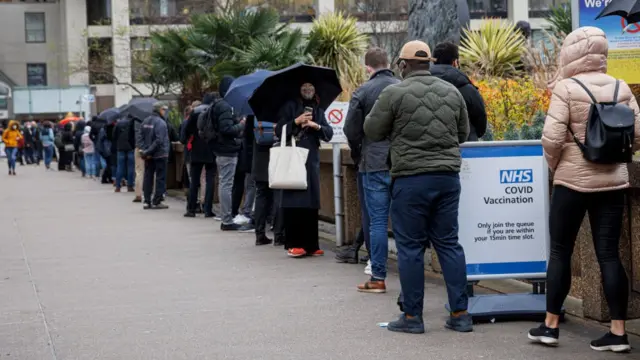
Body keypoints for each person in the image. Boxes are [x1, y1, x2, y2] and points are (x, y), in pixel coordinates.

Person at [527, 27, 640, 353]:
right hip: (612, 181)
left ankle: (550, 326)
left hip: (571, 183)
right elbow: (637, 131)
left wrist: (556, 165)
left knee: (561, 251)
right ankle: (618, 333)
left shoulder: (566, 87)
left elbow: (551, 137)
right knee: (609, 254)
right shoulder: (621, 87)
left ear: (571, 53)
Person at [364, 40, 471, 334]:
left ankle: (412, 317)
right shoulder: (451, 92)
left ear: (403, 64)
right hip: (448, 178)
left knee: (410, 248)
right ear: (429, 63)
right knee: (449, 243)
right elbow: (462, 132)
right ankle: (461, 314)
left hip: (411, 179)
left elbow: (371, 130)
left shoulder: (394, 92)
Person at [343, 47, 400, 293]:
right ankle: (411, 274)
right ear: (388, 62)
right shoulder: (401, 87)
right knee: (404, 220)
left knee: (377, 220)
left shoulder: (363, 91)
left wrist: (358, 152)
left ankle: (377, 276)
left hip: (373, 163)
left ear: (368, 68)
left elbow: (350, 129)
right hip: (401, 162)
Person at [276, 82, 334, 257]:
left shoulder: (319, 109)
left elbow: (328, 133)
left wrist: (316, 126)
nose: (308, 90)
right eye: (304, 87)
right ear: (299, 89)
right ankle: (294, 243)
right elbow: (279, 130)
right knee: (295, 200)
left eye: (311, 87)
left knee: (311, 201)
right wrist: (296, 121)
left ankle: (311, 244)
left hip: (312, 159)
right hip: (294, 157)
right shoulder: (289, 106)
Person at [212, 76, 250, 231]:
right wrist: (241, 124)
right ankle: (227, 220)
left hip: (221, 150)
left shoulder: (217, 105)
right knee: (226, 184)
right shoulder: (226, 106)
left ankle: (226, 217)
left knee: (224, 183)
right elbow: (226, 129)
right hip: (227, 151)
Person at [431, 42, 487, 141]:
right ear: (455, 62)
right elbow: (480, 121)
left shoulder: (421, 85)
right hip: (466, 146)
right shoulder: (467, 88)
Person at [250, 114, 286, 246]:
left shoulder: (255, 108)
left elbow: (248, 136)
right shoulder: (280, 108)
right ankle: (279, 235)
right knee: (278, 196)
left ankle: (259, 234)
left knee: (261, 196)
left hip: (259, 158)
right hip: (277, 155)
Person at [181, 99, 216, 218]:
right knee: (210, 180)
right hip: (211, 149)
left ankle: (191, 209)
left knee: (194, 181)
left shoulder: (195, 112)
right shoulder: (214, 111)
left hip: (196, 149)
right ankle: (208, 209)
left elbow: (186, 131)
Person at [137, 102, 170, 210]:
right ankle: (157, 201)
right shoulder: (161, 123)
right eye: (163, 109)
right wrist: (149, 151)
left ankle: (146, 201)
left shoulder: (145, 121)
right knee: (160, 178)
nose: (164, 111)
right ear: (159, 110)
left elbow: (140, 137)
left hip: (148, 155)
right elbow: (159, 140)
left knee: (148, 177)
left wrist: (145, 151)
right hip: (160, 154)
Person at [113, 116, 135, 192]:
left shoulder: (118, 123)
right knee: (131, 167)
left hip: (120, 147)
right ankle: (130, 186)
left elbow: (114, 136)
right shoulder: (132, 123)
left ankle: (118, 186)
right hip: (130, 147)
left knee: (120, 166)